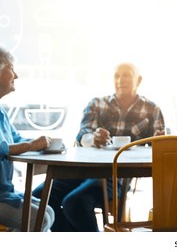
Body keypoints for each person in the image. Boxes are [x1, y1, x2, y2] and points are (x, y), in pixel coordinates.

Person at [33, 62, 165, 232]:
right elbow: (83, 133)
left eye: (126, 75)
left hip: (116, 177)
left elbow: (160, 144)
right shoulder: (97, 104)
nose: (120, 80)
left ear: (138, 80)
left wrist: (159, 141)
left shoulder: (151, 109)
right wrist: (92, 138)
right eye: (117, 76)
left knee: (74, 203)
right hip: (81, 170)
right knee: (39, 197)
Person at [0, 47, 55, 231]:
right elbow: (2, 148)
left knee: (48, 213)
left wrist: (44, 142)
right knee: (40, 220)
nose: (16, 75)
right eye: (11, 68)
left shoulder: (1, 112)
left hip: (5, 193)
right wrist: (31, 145)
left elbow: (15, 138)